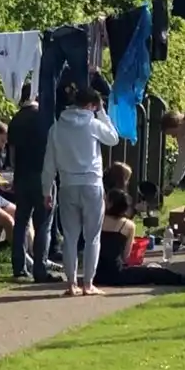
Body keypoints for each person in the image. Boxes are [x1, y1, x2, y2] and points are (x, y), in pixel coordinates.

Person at [41, 85, 120, 296]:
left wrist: (46, 191)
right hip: (92, 184)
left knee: (70, 236)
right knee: (93, 236)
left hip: (67, 185)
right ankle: (88, 284)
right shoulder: (93, 124)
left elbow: (49, 164)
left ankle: (71, 284)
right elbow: (113, 138)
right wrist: (103, 113)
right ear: (91, 106)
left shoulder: (56, 128)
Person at [93, 167, 185, 289]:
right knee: (152, 272)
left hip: (95, 273)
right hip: (115, 275)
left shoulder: (97, 220)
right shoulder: (128, 225)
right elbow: (126, 256)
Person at [5, 92, 56, 282]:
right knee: (43, 224)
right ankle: (40, 269)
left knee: (21, 223)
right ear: (36, 94)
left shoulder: (15, 120)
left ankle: (18, 267)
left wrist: (14, 174)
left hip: (22, 176)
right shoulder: (44, 118)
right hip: (43, 175)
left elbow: (12, 152)